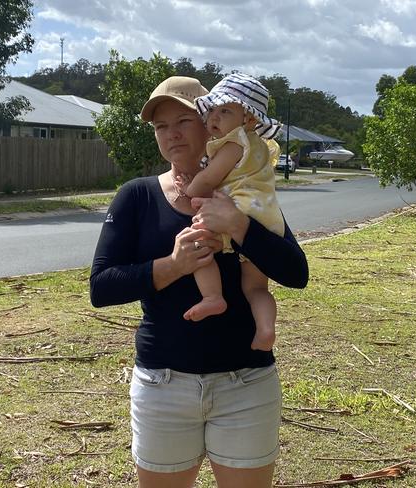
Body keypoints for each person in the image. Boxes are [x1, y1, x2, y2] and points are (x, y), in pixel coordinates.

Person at [90, 75, 308, 488]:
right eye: (160, 127)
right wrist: (172, 264)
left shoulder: (244, 191)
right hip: (163, 386)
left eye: (182, 121)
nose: (171, 134)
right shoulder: (137, 196)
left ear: (211, 120)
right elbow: (102, 287)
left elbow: (296, 273)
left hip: (246, 385)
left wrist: (239, 226)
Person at [175, 72, 283, 353]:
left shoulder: (234, 143)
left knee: (198, 242)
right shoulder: (259, 144)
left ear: (248, 120)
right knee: (257, 288)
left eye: (225, 110)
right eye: (212, 110)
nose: (214, 117)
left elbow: (210, 179)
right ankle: (266, 329)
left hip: (239, 209)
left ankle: (212, 296)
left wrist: (189, 190)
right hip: (266, 217)